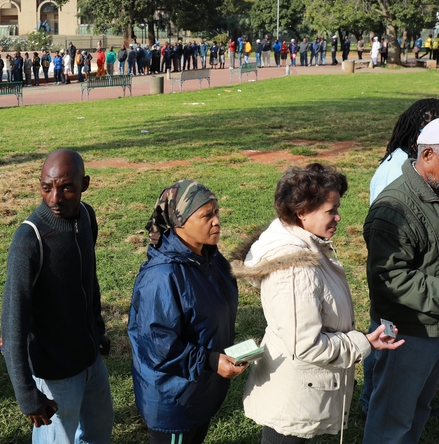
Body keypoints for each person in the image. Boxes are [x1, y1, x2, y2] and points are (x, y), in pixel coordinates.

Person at [233, 163, 403, 443]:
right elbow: (306, 345)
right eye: (330, 210)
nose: (338, 217)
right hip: (294, 399)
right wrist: (364, 343)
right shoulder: (295, 269)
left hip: (301, 390)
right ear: (301, 212)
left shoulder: (308, 243)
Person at [2, 149, 113, 443]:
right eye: (46, 187)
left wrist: (97, 328)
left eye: (66, 188)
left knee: (99, 433)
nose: (54, 198)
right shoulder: (29, 240)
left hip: (91, 362)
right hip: (55, 375)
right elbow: (13, 325)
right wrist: (27, 396)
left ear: (84, 184)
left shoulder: (87, 216)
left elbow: (89, 278)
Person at [130, 180, 245, 444]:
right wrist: (210, 360)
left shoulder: (211, 259)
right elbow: (158, 345)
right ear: (180, 222)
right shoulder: (162, 276)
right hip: (175, 401)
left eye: (217, 212)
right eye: (207, 215)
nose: (217, 221)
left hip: (198, 390)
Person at [362, 118, 439, 443]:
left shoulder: (433, 190)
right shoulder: (394, 209)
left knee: (418, 409)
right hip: (408, 333)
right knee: (391, 422)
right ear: (428, 156)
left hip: (432, 327)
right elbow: (389, 278)